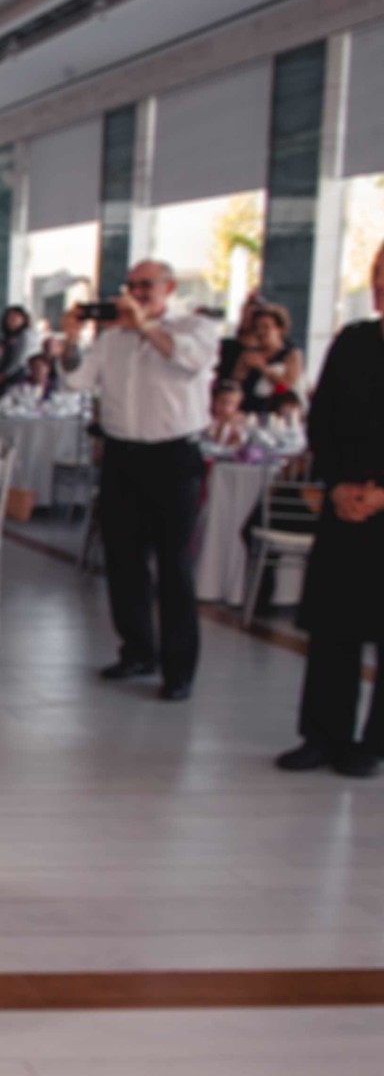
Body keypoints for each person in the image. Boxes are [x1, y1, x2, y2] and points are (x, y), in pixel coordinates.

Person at [59, 259, 218, 700]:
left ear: (169, 287)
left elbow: (189, 362)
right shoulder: (112, 339)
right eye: (130, 285)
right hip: (122, 457)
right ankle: (137, 649)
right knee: (124, 560)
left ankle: (178, 668)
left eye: (146, 285)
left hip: (173, 456)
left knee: (173, 565)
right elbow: (75, 381)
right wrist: (71, 339)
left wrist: (145, 325)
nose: (136, 293)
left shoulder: (194, 328)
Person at [279, 245, 384, 778]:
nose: (383, 285)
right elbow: (322, 420)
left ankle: (374, 745)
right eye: (380, 275)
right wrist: (339, 485)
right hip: (345, 502)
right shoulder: (355, 341)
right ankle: (322, 734)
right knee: (333, 625)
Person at [220, 301, 306, 414]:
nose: (261, 332)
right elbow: (235, 385)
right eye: (257, 327)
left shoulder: (292, 354)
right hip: (249, 410)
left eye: (266, 327)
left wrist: (263, 368)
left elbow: (285, 389)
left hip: (277, 412)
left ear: (279, 329)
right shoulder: (248, 354)